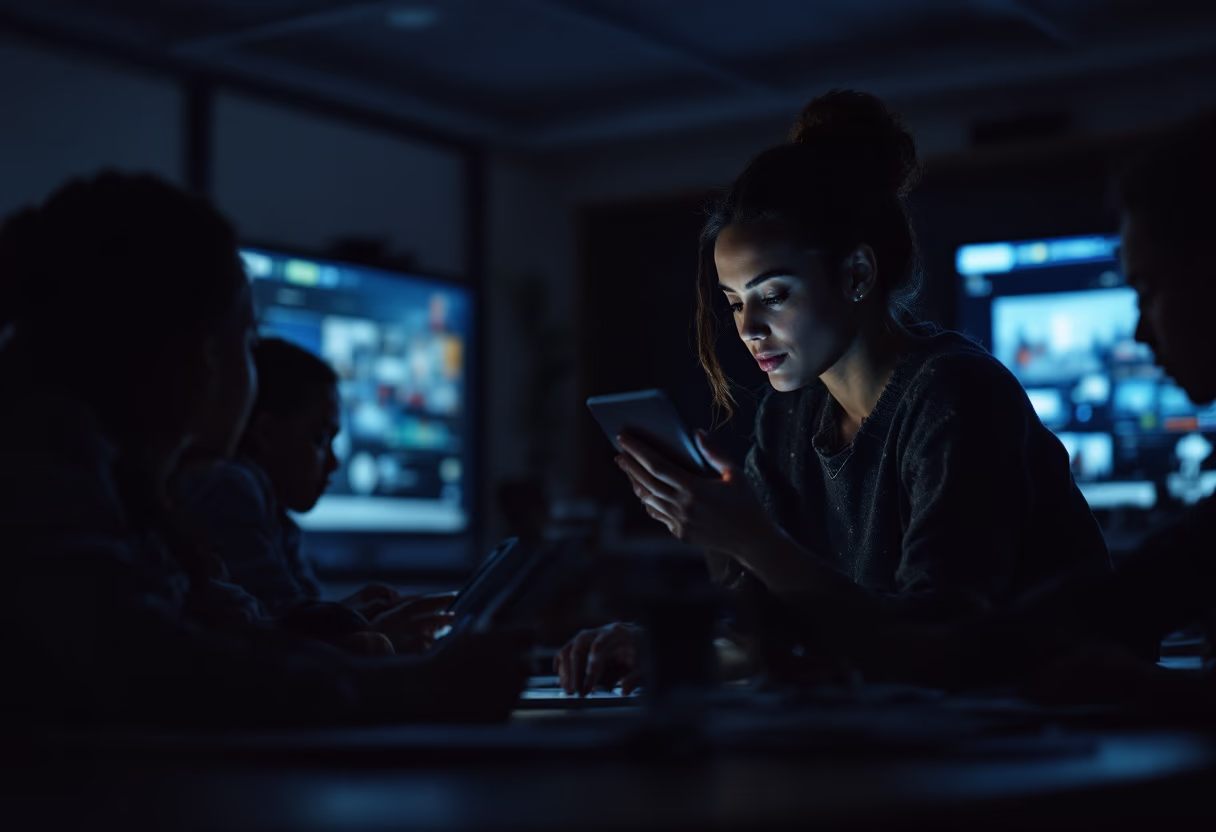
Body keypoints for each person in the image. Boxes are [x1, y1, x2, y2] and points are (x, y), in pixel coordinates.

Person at [557, 90, 1109, 695]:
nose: (748, 330)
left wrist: (748, 536)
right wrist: (680, 619)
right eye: (735, 302)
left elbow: (939, 642)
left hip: (1060, 723)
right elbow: (775, 624)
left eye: (774, 295)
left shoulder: (955, 394)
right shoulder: (787, 415)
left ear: (857, 275)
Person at [0, 172, 525, 729]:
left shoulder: (106, 480)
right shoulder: (44, 476)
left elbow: (208, 640)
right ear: (198, 357)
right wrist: (414, 686)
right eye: (249, 344)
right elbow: (155, 670)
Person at [176, 337, 453, 653]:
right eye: (320, 438)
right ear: (266, 433)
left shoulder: (277, 518)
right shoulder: (230, 486)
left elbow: (288, 617)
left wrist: (347, 613)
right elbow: (280, 644)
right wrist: (376, 636)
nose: (334, 462)